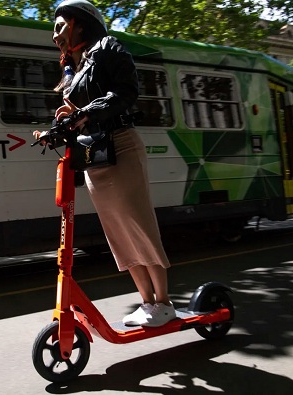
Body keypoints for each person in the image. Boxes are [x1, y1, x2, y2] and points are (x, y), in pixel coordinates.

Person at [34, 0, 175, 327]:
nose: (55, 35)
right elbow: (79, 116)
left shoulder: (109, 49)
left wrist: (85, 113)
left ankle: (164, 302)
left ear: (78, 23)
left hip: (121, 145)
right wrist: (56, 130)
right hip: (94, 155)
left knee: (138, 223)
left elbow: (124, 94)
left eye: (59, 26)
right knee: (118, 232)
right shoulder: (76, 66)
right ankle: (147, 302)